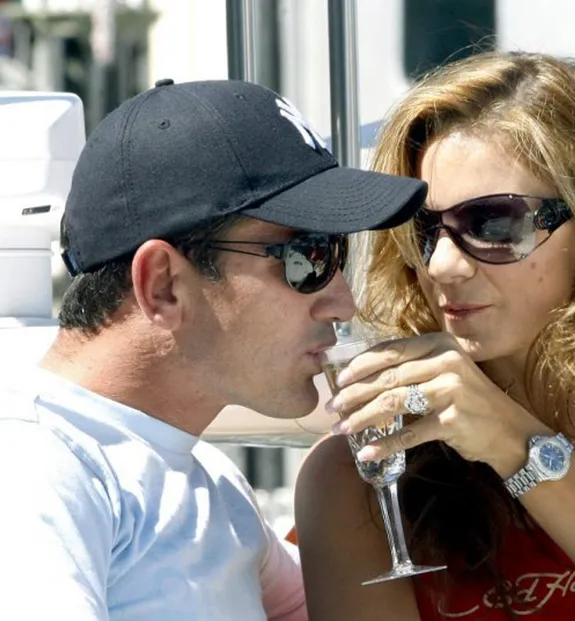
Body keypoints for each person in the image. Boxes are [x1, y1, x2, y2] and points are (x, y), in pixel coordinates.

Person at [0, 78, 427, 620]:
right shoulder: (32, 467)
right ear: (163, 285)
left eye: (337, 252)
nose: (343, 302)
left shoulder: (210, 480)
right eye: (308, 256)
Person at [294, 51, 575, 620]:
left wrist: (514, 445)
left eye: (492, 223)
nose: (441, 266)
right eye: (423, 228)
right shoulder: (360, 473)